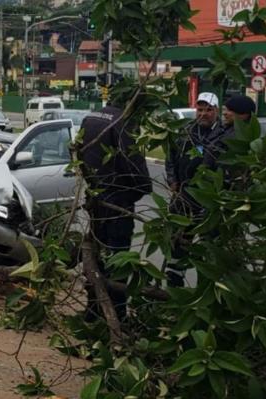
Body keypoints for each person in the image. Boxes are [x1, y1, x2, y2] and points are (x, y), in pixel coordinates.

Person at [77, 101, 153, 321]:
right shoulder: (123, 122)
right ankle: (116, 316)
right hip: (118, 200)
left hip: (96, 199)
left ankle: (93, 311)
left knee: (98, 257)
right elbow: (133, 162)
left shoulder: (90, 117)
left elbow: (79, 153)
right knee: (119, 260)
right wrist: (141, 189)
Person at [164, 92, 222, 286]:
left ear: (216, 111)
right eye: (200, 109)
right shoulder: (186, 131)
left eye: (208, 110)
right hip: (183, 199)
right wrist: (172, 180)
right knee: (178, 244)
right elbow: (170, 157)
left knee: (209, 248)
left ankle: (206, 290)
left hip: (210, 202)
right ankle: (174, 288)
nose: (203, 113)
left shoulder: (223, 134)